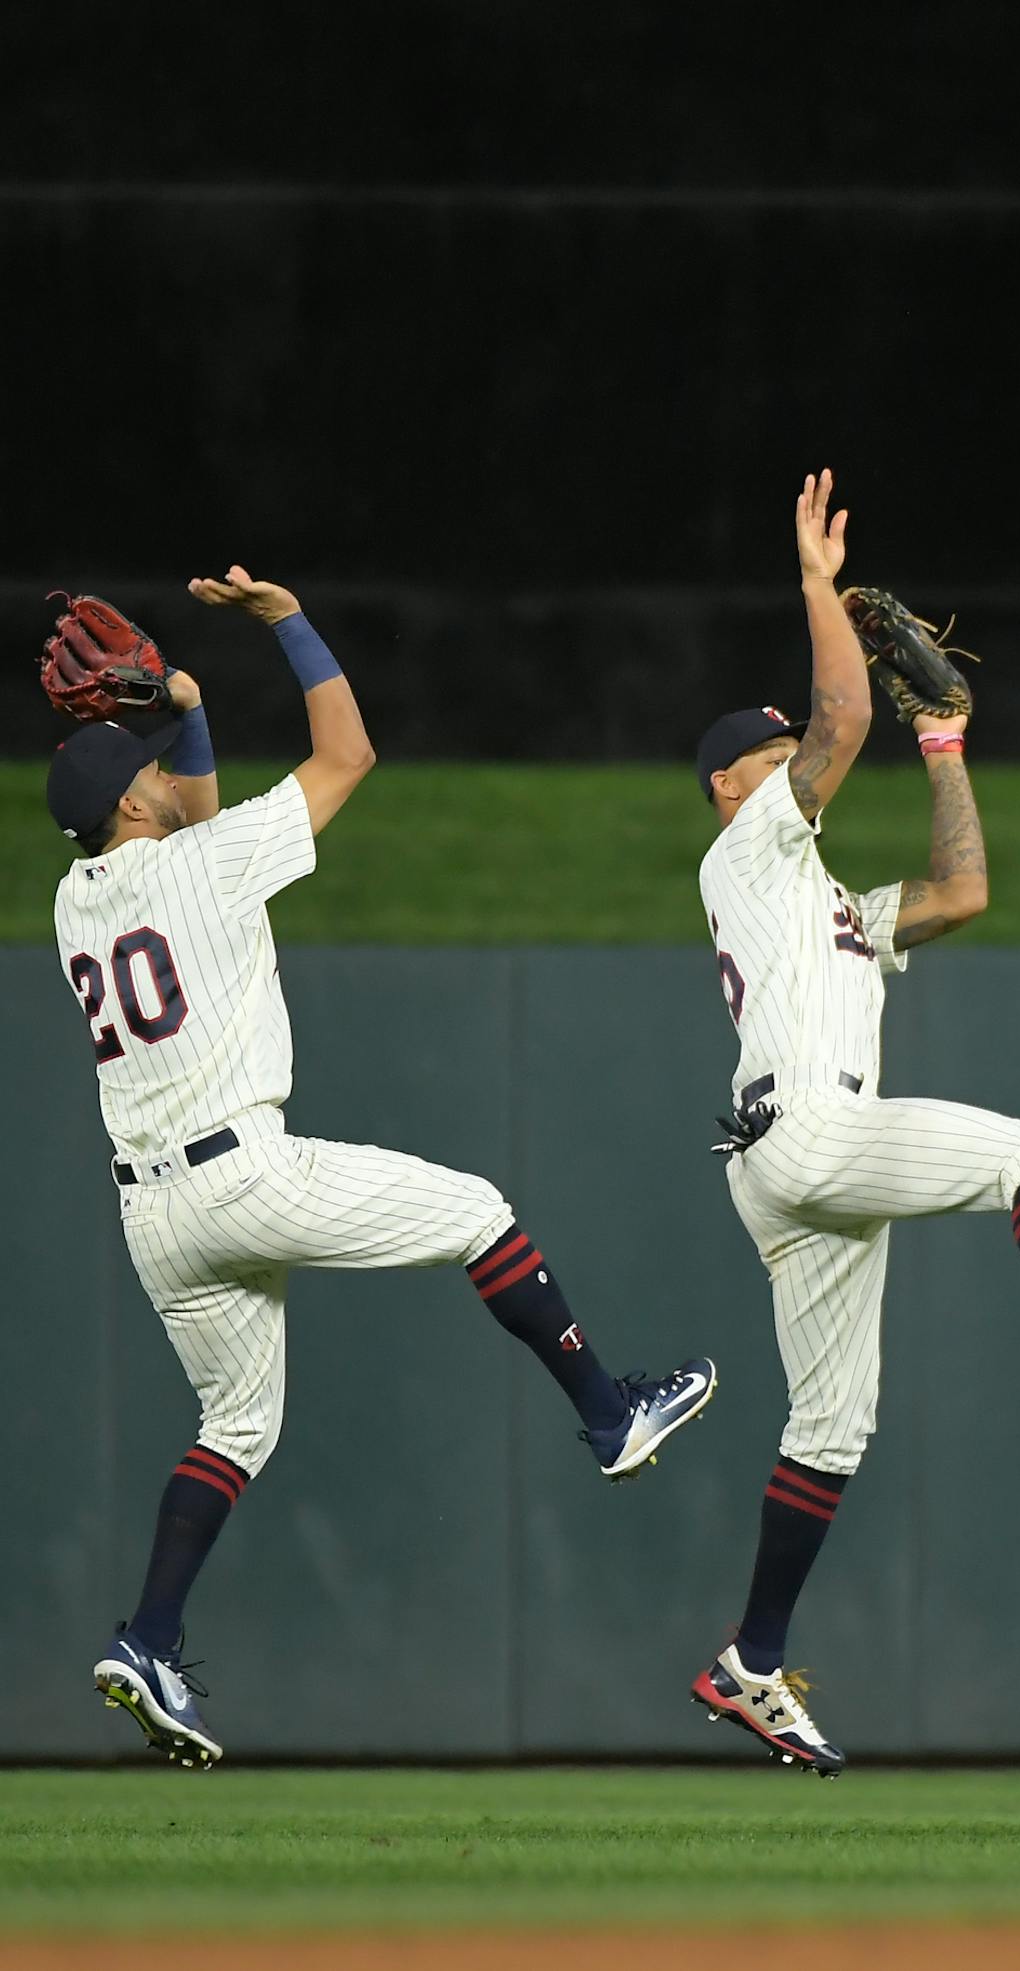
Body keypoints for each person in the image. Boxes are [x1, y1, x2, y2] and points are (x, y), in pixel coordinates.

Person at [51, 568, 715, 1768]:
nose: (159, 774)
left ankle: (149, 1638)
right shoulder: (199, 863)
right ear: (129, 799)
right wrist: (285, 625)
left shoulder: (75, 897)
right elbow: (348, 755)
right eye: (144, 767)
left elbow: (185, 812)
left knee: (238, 1421)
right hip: (240, 1173)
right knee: (480, 1214)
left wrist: (187, 709)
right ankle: (609, 1413)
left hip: (152, 1215)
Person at [687, 472, 1020, 1775]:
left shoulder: (832, 901)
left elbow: (966, 887)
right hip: (808, 1132)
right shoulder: (749, 845)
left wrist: (946, 749)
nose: (792, 754)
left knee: (830, 1429)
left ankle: (749, 1660)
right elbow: (842, 709)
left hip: (786, 1163)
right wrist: (816, 584)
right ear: (732, 781)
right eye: (772, 748)